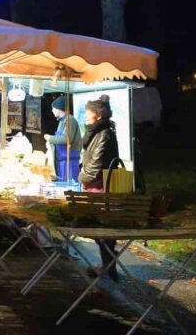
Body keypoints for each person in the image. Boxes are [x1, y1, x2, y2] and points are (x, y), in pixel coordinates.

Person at [79, 95, 120, 280]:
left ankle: (109, 267)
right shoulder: (96, 131)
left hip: (100, 185)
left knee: (101, 228)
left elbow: (96, 164)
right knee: (100, 228)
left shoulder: (104, 133)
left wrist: (82, 176)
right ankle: (108, 266)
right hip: (93, 184)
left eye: (88, 112)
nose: (85, 115)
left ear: (97, 114)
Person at [47, 97, 82, 182]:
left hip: (70, 162)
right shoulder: (62, 121)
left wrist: (50, 138)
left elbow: (66, 139)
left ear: (59, 109)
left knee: (70, 188)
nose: (52, 110)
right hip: (62, 161)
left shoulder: (70, 120)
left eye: (53, 108)